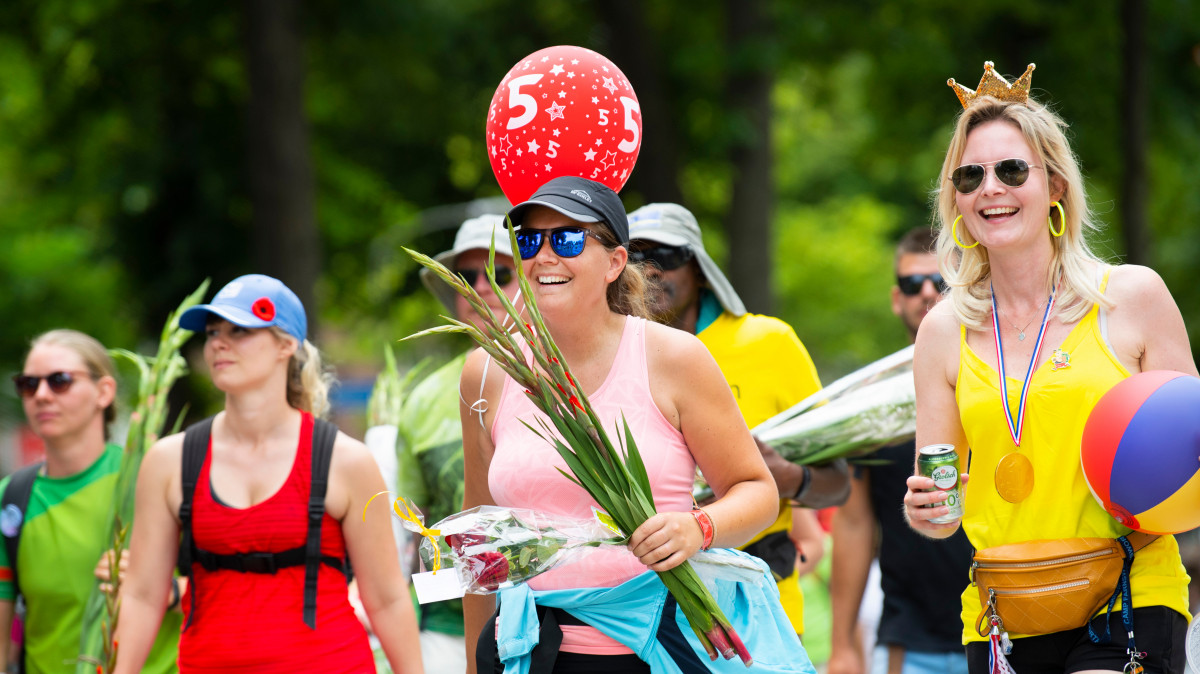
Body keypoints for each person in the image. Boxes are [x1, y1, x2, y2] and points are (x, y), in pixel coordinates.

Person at [903, 62, 1196, 673]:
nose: (991, 189)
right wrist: (927, 511)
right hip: (1004, 610)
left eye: (1012, 170)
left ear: (1056, 185)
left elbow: (1191, 458)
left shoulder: (1132, 298)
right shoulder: (940, 331)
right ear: (954, 198)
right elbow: (943, 504)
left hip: (1127, 592)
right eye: (970, 175)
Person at [459, 177, 808, 673]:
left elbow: (757, 491)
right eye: (531, 240)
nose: (544, 256)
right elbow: (479, 541)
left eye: (568, 238)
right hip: (531, 652)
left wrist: (697, 528)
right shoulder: (487, 371)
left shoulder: (673, 357)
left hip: (654, 650)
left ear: (615, 262)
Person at [113, 274, 422, 673]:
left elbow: (386, 598)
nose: (218, 343)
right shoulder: (169, 461)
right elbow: (141, 594)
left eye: (239, 330)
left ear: (286, 345)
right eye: (211, 332)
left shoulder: (344, 461)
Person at [626, 202, 850, 640]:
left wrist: (785, 478)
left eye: (666, 257)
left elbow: (837, 483)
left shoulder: (769, 342)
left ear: (699, 267)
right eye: (637, 257)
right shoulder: (613, 353)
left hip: (760, 611)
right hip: (645, 614)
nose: (651, 271)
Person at [828, 227, 972, 674]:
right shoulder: (871, 400)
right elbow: (853, 526)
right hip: (908, 639)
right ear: (897, 298)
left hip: (1000, 627)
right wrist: (842, 646)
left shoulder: (992, 380)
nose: (927, 292)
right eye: (913, 284)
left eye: (941, 281)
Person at [1, 329, 181, 673]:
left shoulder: (153, 476)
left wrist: (166, 590)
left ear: (104, 392)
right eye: (28, 383)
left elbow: (229, 593)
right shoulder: (12, 497)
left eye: (60, 381)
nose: (40, 395)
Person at [396, 214, 520, 673]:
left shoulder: (566, 379)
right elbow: (409, 520)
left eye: (497, 274)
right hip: (448, 627)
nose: (479, 288)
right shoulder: (423, 400)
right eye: (465, 278)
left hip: (555, 614)